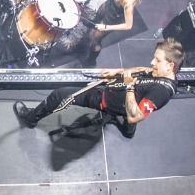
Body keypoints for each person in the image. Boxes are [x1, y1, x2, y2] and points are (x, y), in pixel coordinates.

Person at [13, 38, 182, 138]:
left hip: (107, 100)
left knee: (60, 95)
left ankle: (31, 118)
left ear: (170, 66)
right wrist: (117, 72)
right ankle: (128, 132)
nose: (152, 63)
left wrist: (129, 85)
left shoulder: (161, 92)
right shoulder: (160, 72)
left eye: (157, 60)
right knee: (125, 114)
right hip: (121, 97)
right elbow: (141, 70)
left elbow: (134, 117)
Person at [85, 0, 144, 64]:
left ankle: (90, 61)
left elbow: (128, 25)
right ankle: (94, 25)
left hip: (112, 18)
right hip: (110, 5)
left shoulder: (128, 0)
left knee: (95, 38)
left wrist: (105, 27)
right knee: (99, 14)